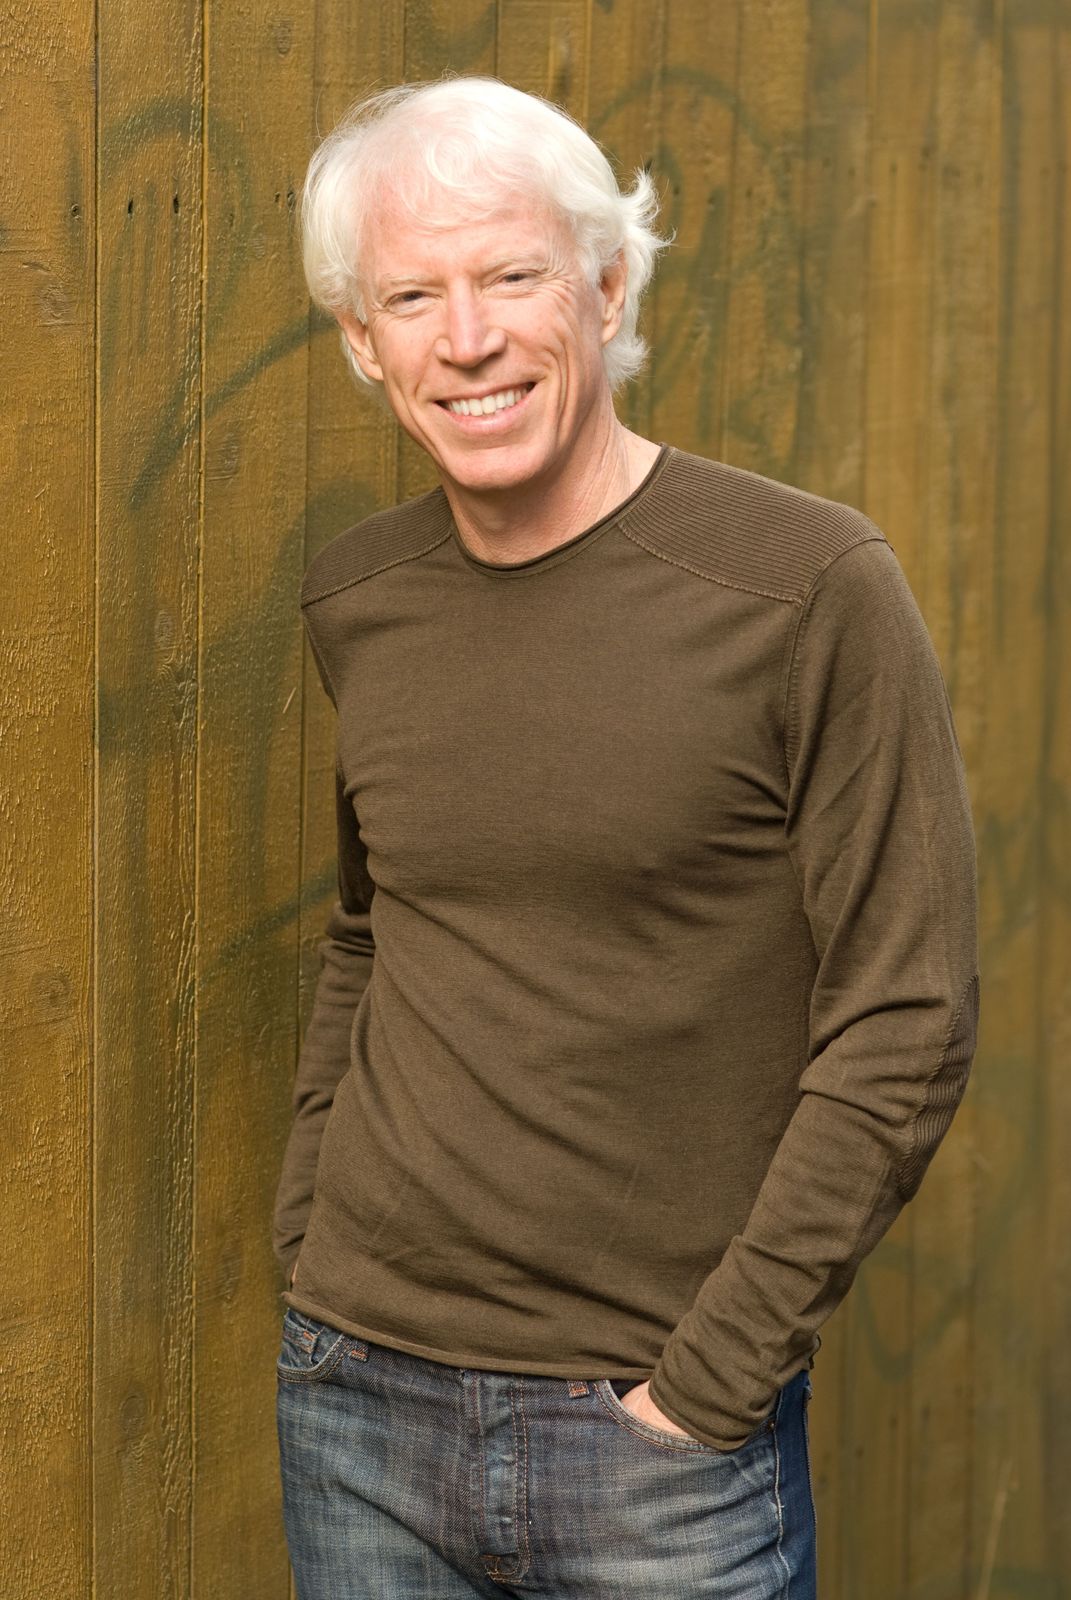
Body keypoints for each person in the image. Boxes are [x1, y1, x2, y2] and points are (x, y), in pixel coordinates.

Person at [271, 76, 979, 1600]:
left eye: (512, 276)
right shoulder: (360, 599)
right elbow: (375, 930)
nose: (466, 338)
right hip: (357, 1402)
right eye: (412, 296)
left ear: (606, 287)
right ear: (363, 340)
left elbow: (909, 1018)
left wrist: (710, 1383)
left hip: (658, 1445)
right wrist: (308, 1239)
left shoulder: (808, 589)